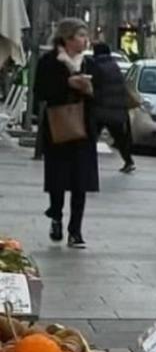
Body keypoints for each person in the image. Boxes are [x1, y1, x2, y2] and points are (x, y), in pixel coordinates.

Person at [34, 19, 99, 249]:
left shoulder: (90, 64)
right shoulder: (49, 62)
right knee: (58, 179)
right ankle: (56, 218)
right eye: (81, 35)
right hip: (58, 127)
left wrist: (89, 89)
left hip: (83, 129)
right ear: (67, 38)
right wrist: (67, 84)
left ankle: (76, 230)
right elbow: (40, 92)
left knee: (80, 181)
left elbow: (101, 95)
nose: (85, 40)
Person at [88, 41, 135, 174]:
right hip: (117, 108)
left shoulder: (96, 65)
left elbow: (94, 85)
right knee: (120, 137)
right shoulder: (114, 65)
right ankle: (129, 161)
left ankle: (87, 163)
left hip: (101, 108)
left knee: (91, 137)